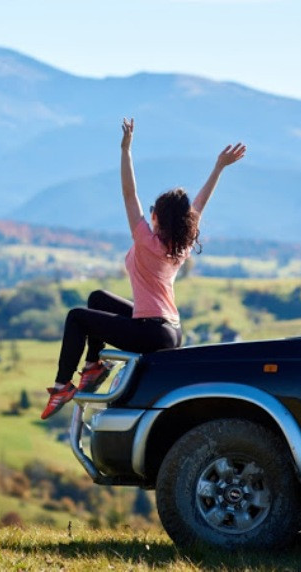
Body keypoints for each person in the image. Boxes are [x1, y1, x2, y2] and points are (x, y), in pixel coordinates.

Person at [41, 118, 245, 419]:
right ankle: (93, 365)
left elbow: (128, 193)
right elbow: (199, 204)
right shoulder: (182, 243)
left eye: (153, 211)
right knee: (97, 299)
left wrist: (126, 150)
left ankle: (62, 385)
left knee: (76, 318)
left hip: (151, 332)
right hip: (169, 330)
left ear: (158, 218)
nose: (148, 213)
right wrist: (218, 167)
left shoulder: (147, 240)